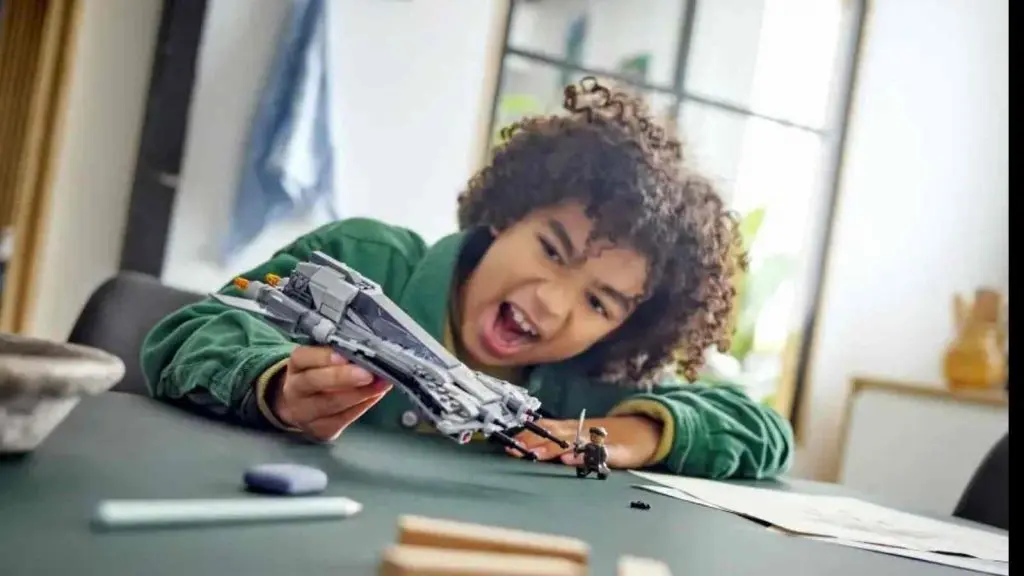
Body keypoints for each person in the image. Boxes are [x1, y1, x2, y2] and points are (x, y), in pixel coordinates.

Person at [141, 77, 793, 480]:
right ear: (508, 214)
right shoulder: (366, 259)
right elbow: (190, 332)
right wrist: (274, 385)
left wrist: (632, 436)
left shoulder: (597, 377)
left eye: (600, 301)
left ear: (628, 325)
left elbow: (762, 430)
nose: (552, 302)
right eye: (551, 249)